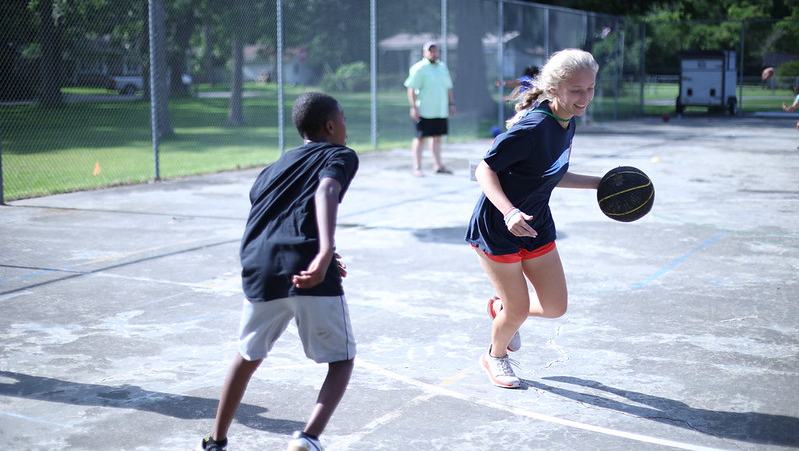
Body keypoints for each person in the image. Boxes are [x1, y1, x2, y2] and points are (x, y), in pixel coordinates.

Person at [199, 92, 358, 451]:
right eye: (344, 118)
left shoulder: (272, 169)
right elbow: (325, 190)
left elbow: (275, 216)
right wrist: (323, 252)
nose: (347, 126)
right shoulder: (339, 155)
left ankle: (216, 441)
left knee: (246, 356)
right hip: (306, 267)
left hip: (260, 266)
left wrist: (325, 253)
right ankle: (308, 438)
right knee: (341, 361)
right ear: (331, 126)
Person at [465, 49, 601, 389]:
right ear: (555, 89)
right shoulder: (533, 126)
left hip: (537, 224)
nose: (584, 97)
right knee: (520, 308)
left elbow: (553, 173)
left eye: (590, 88)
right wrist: (509, 212)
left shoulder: (566, 121)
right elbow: (484, 169)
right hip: (499, 227)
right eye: (576, 90)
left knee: (555, 306)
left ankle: (502, 309)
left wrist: (601, 184)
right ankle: (495, 356)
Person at [404, 41, 455, 177]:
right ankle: (417, 168)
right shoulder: (418, 68)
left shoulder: (443, 67)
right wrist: (413, 107)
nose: (433, 53)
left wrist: (451, 104)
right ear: (424, 52)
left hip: (440, 110)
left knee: (437, 138)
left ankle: (438, 166)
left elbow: (448, 87)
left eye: (435, 50)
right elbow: (411, 89)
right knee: (420, 138)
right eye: (430, 50)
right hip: (424, 111)